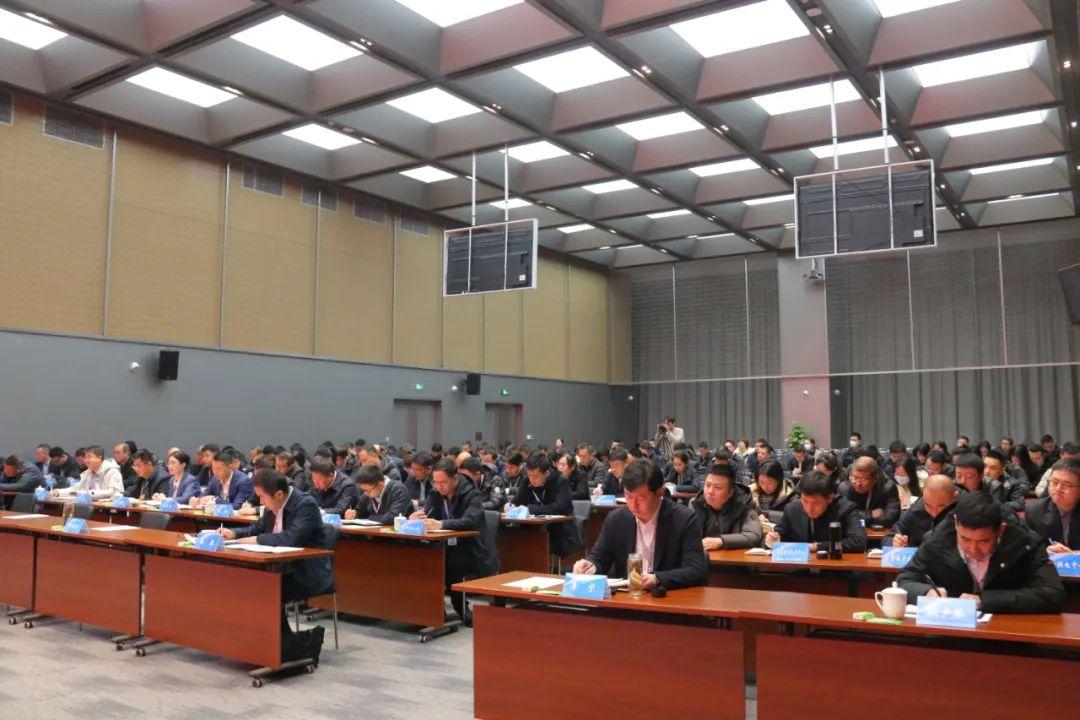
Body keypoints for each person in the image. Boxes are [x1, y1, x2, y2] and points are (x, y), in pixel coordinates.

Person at [217, 470, 331, 658]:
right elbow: (258, 528)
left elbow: (291, 538)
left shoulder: (305, 504)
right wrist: (234, 533)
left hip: (307, 571)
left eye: (262, 497)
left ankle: (280, 647)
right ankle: (265, 643)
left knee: (261, 587)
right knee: (243, 581)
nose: (261, 502)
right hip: (278, 568)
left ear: (278, 494)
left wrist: (257, 540)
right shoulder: (273, 505)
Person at [895, 491, 1064, 614]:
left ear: (1001, 530)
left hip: (1007, 633)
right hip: (951, 631)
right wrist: (926, 592)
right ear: (956, 524)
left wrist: (985, 600)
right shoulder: (938, 539)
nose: (973, 550)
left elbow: (1053, 594)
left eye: (983, 541)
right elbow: (904, 580)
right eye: (965, 539)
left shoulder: (1024, 542)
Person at [572, 458, 707, 590]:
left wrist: (658, 579)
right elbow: (600, 557)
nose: (633, 504)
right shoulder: (616, 519)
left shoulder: (684, 519)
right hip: (627, 596)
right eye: (628, 496)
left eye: (641, 498)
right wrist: (590, 565)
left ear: (660, 492)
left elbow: (695, 569)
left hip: (666, 596)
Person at [409, 459, 495, 623]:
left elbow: (470, 521)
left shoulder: (471, 493)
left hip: (471, 546)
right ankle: (433, 610)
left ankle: (460, 607)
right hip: (444, 544)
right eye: (435, 482)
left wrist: (441, 524)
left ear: (455, 478)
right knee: (423, 559)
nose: (439, 487)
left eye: (443, 483)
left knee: (450, 563)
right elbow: (427, 512)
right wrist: (415, 517)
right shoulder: (436, 492)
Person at [765, 471, 867, 553]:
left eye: (816, 503)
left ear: (829, 498)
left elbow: (859, 542)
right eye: (805, 501)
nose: (809, 508)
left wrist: (818, 546)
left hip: (835, 568)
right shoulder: (792, 508)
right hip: (800, 569)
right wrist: (773, 540)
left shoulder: (846, 508)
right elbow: (780, 535)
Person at [512, 455, 575, 557]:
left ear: (546, 473)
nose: (532, 479)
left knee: (537, 542)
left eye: (535, 476)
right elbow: (517, 502)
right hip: (532, 527)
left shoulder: (560, 481)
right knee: (514, 538)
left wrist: (530, 509)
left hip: (558, 530)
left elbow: (560, 507)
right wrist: (510, 506)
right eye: (529, 475)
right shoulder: (527, 481)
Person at [691, 464, 762, 551]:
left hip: (734, 558)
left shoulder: (744, 503)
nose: (710, 491)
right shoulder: (696, 504)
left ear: (730, 493)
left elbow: (754, 535)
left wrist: (722, 541)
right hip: (702, 557)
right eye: (707, 485)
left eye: (717, 488)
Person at [883, 475, 958, 548]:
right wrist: (895, 542)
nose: (934, 513)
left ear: (954, 498)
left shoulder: (961, 514)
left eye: (941, 507)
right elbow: (889, 537)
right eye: (928, 506)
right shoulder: (916, 511)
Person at [1024, 458, 1080, 553]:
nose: (1058, 489)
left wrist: (1075, 555)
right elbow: (1029, 548)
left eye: (1067, 485)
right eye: (1054, 482)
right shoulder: (1034, 511)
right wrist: (1046, 551)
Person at [837, 456, 902, 527]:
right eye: (855, 478)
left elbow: (891, 518)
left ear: (875, 479)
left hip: (880, 533)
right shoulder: (844, 488)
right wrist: (871, 514)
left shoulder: (888, 487)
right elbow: (843, 517)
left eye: (863, 480)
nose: (858, 484)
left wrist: (857, 518)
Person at [954, 453, 1024, 515]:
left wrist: (999, 504)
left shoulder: (1006, 484)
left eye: (992, 468)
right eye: (984, 467)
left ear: (1002, 470)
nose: (987, 471)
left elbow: (1018, 504)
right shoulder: (956, 486)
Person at [347, 464, 411, 524]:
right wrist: (354, 513)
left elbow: (394, 517)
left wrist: (371, 517)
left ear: (380, 485)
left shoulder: (399, 490)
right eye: (363, 490)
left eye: (367, 491)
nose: (366, 494)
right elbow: (361, 511)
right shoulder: (368, 492)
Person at [749, 460, 796, 525]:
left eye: (769, 483)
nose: (765, 487)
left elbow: (792, 520)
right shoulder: (749, 493)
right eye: (761, 482)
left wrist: (768, 517)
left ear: (778, 480)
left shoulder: (790, 497)